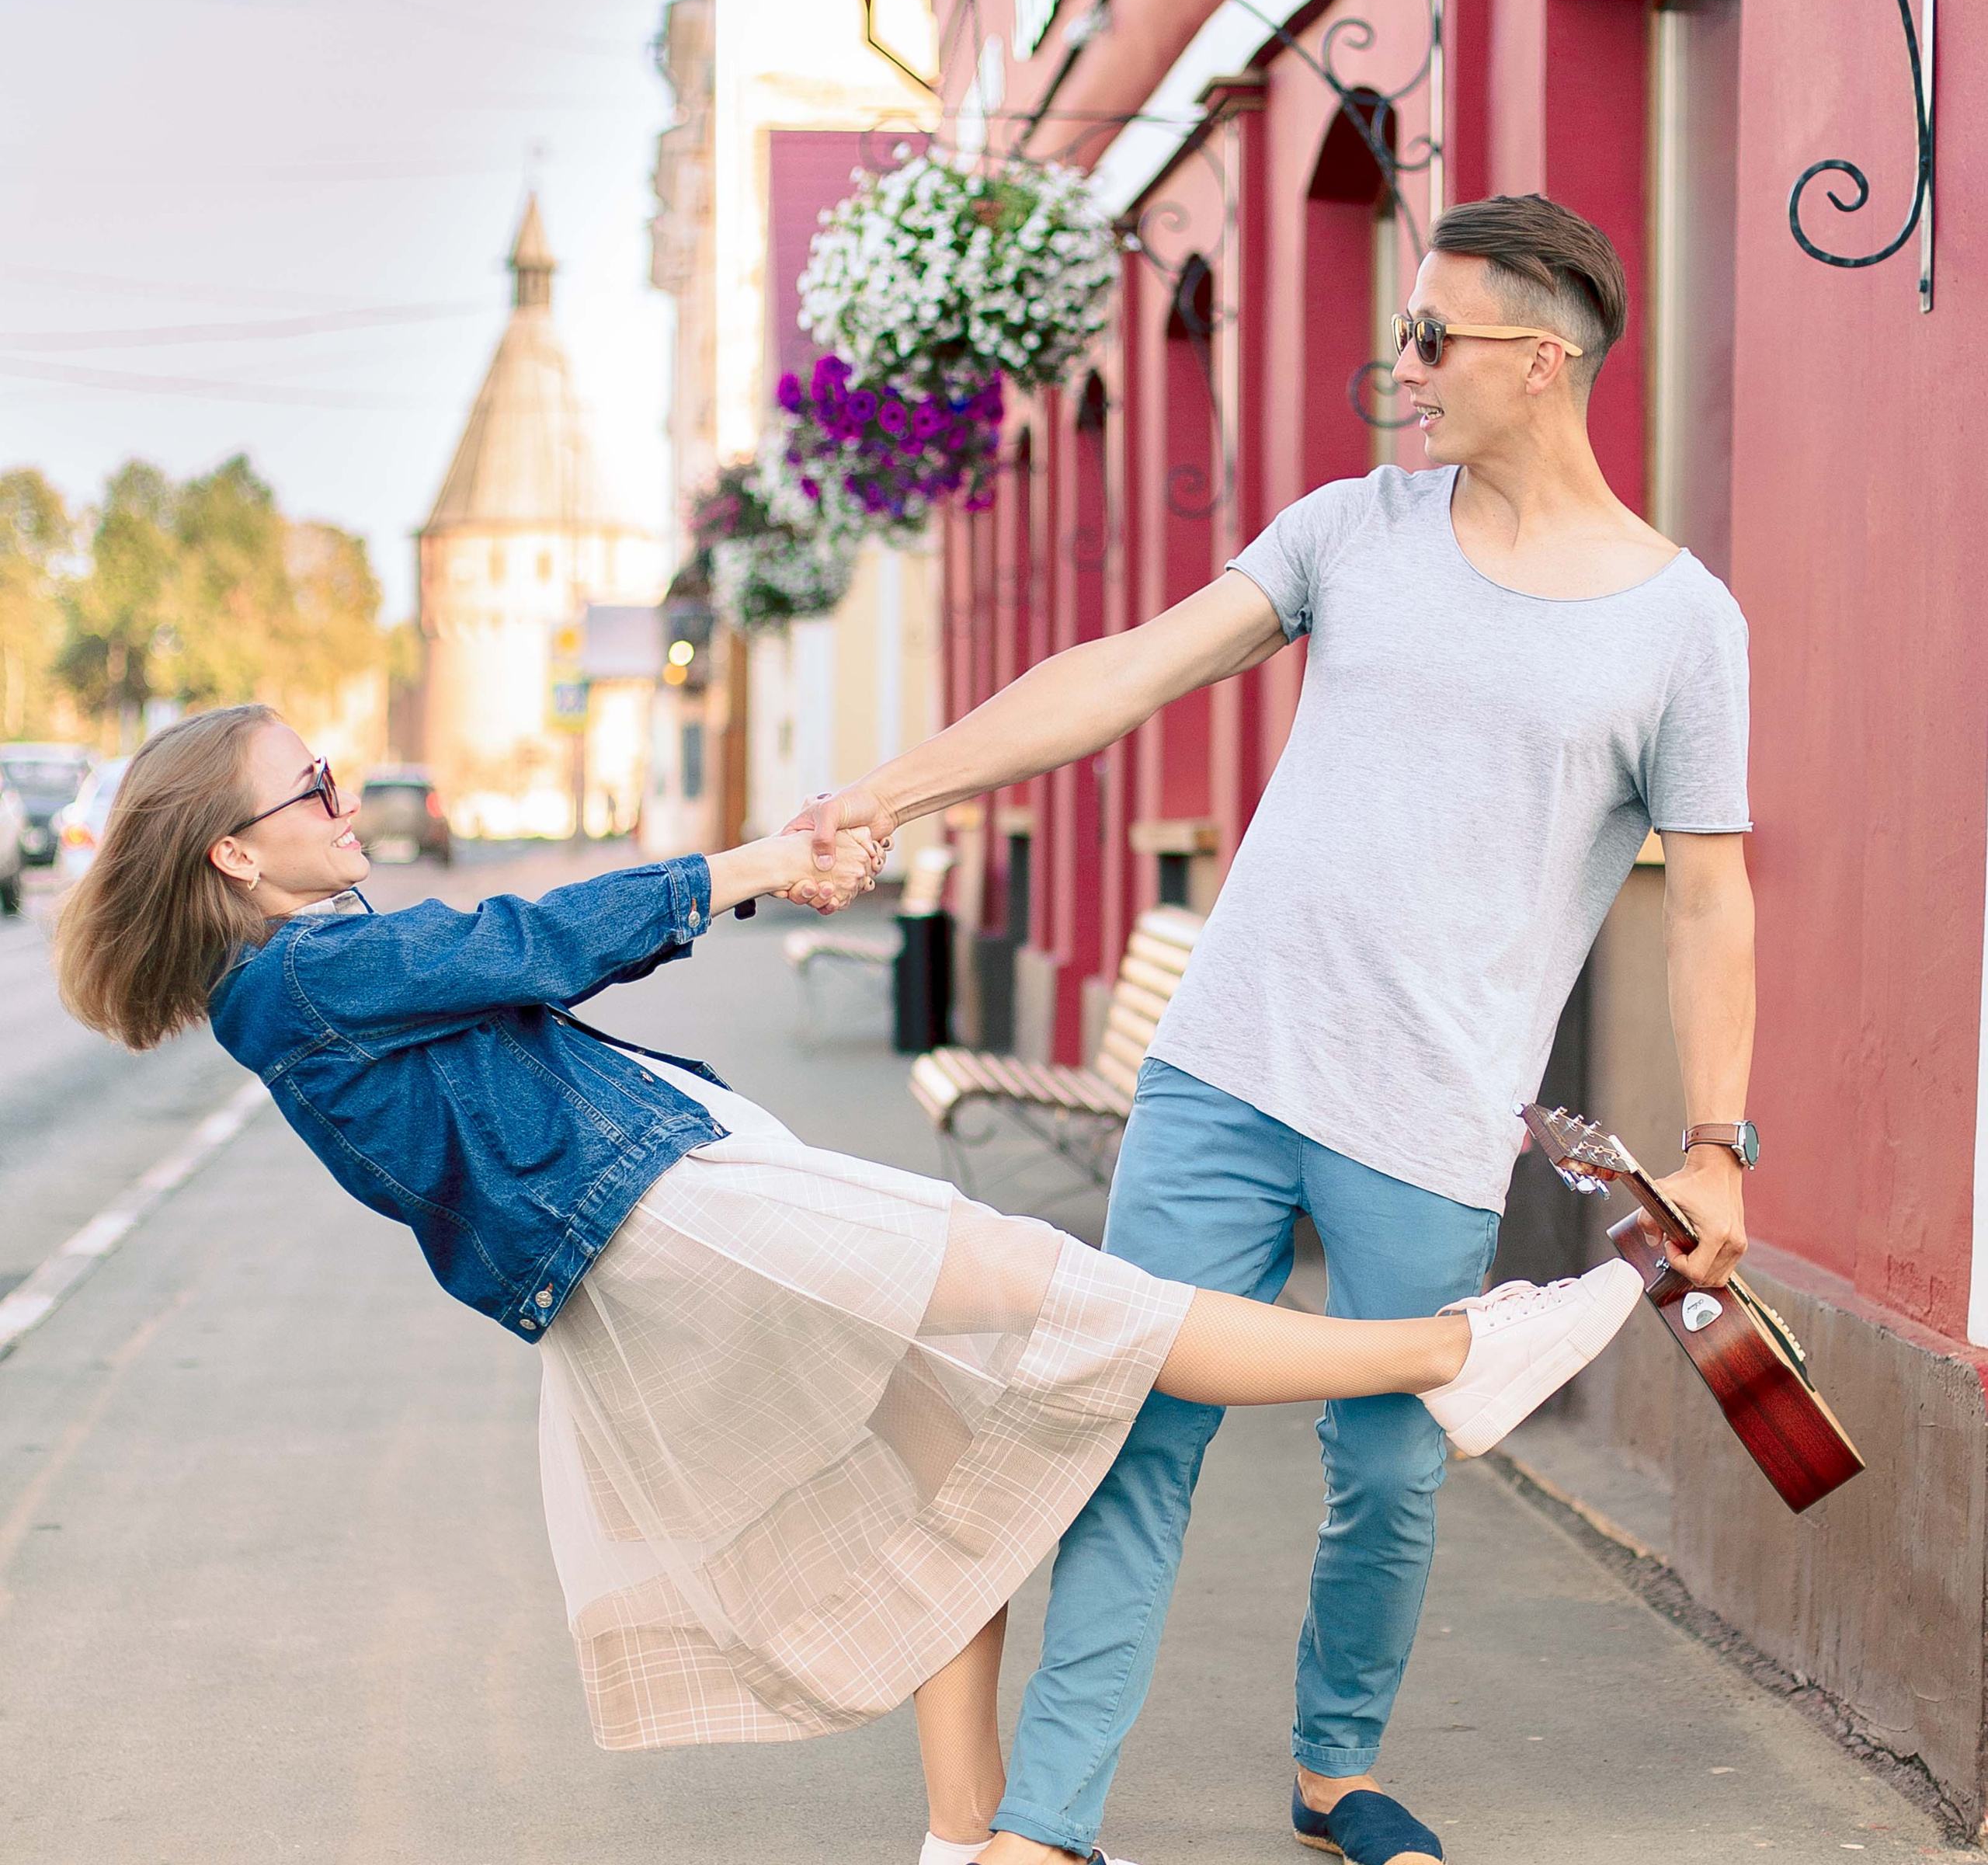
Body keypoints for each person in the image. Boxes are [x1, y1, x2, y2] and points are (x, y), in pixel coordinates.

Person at [55, 701, 1640, 1865]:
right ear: (236, 848)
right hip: (683, 1216)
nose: (341, 793)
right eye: (312, 783)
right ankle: (1453, 1351)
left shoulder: (302, 975)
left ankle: (969, 1838)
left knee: (947, 1464)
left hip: (671, 1216)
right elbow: (530, 938)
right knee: (1079, 1307)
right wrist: (759, 860)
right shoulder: (309, 977)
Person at [789, 193, 1757, 1865]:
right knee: (1135, 1424)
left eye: (1430, 337)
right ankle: (1045, 1822)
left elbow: (1719, 900)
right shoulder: (1349, 530)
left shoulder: (1681, 627)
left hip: (1432, 1110)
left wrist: (1715, 1140)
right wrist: (885, 788)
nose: (1402, 365)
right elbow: (1123, 673)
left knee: (1382, 1471)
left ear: (1542, 361)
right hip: (1227, 1060)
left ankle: (1330, 1768)